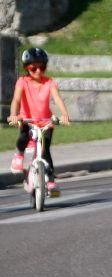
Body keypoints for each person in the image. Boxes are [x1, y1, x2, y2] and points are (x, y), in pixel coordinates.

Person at [7, 48, 71, 194]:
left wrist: (65, 114)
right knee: (23, 135)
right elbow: (16, 100)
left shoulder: (50, 82)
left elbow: (57, 99)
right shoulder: (22, 82)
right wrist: (13, 115)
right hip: (27, 120)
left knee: (45, 150)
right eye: (33, 68)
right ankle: (19, 155)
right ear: (26, 68)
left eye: (41, 67)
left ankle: (50, 181)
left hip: (45, 122)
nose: (38, 71)